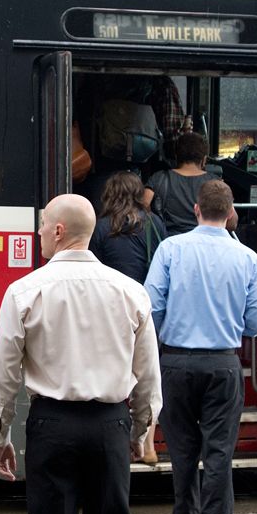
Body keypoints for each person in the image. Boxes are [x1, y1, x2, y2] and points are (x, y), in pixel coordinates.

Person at [0, 193, 162, 514]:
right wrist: (141, 431)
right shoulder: (130, 291)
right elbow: (148, 375)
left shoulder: (24, 291)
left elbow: (4, 370)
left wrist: (0, 433)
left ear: (59, 231)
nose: (40, 232)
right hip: (109, 423)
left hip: (52, 424)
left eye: (44, 224)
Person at [144, 179, 257, 514]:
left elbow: (150, 306)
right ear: (231, 214)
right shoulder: (248, 258)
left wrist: (171, 331)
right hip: (223, 364)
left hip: (177, 362)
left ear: (197, 209)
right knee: (218, 455)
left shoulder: (170, 249)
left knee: (182, 450)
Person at [89, 170, 167, 465]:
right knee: (148, 377)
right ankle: (147, 444)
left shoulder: (100, 228)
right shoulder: (155, 224)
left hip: (110, 312)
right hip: (145, 309)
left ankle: (118, 440)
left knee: (115, 375)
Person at [145, 131, 218, 235]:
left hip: (167, 242)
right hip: (203, 244)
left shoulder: (159, 178)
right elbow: (231, 222)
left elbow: (142, 206)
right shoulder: (215, 183)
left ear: (176, 156)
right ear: (204, 159)